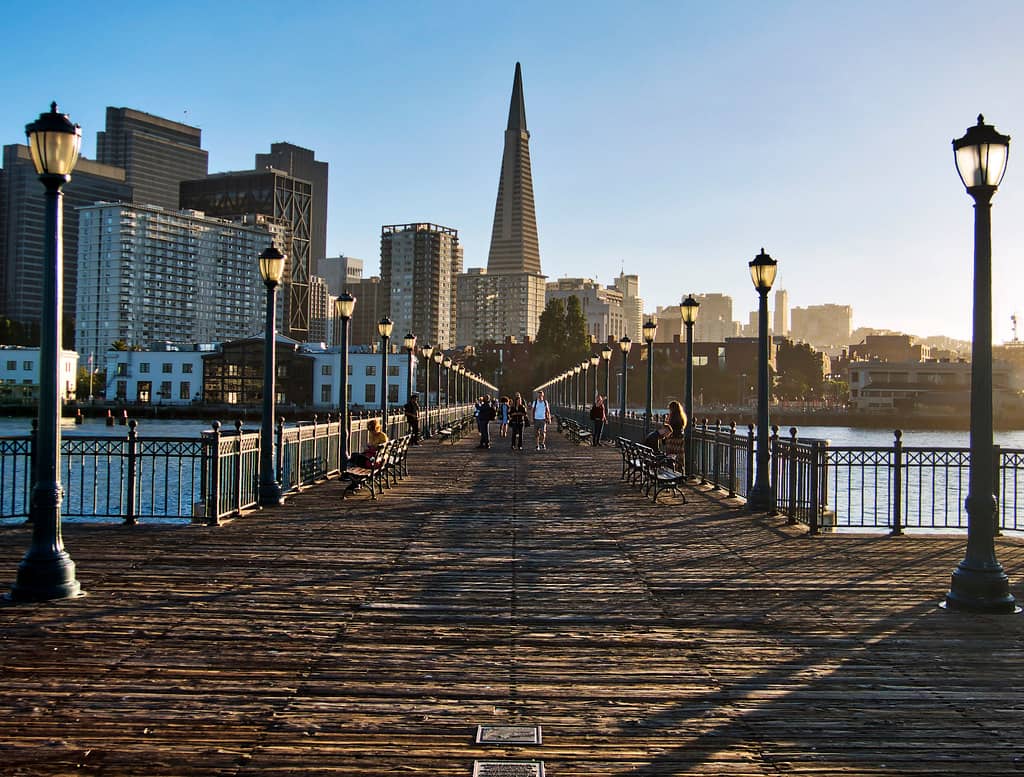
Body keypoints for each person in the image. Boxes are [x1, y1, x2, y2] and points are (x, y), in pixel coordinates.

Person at [656, 399, 688, 471]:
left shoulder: (671, 418)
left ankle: (671, 471)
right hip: (679, 440)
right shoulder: (681, 418)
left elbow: (669, 429)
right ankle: (680, 471)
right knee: (679, 458)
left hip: (671, 440)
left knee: (670, 457)